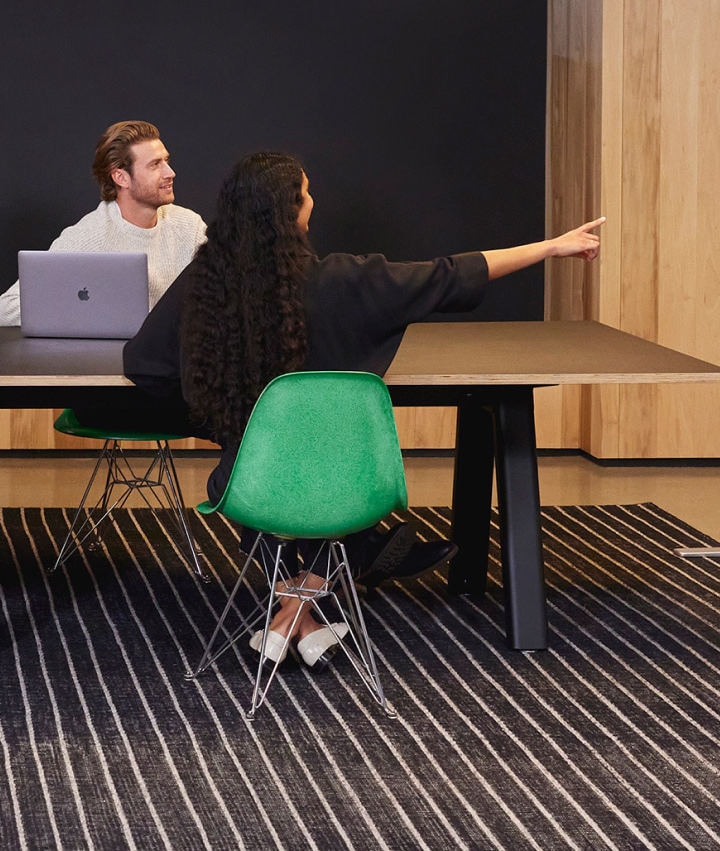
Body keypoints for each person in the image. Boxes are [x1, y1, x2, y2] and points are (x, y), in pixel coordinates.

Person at [124, 151, 603, 663]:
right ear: (292, 212)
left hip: (247, 482)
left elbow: (145, 363)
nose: (315, 200)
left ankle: (294, 616)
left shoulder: (204, 284)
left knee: (250, 466)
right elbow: (452, 275)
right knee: (332, 498)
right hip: (350, 482)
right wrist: (552, 247)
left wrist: (217, 414)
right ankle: (341, 574)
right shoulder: (348, 281)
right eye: (307, 194)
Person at [0, 120, 207, 325]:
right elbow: (7, 310)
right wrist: (91, 312)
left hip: (177, 358)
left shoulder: (190, 227)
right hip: (109, 359)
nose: (170, 173)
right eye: (155, 165)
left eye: (166, 161)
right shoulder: (88, 238)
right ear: (121, 177)